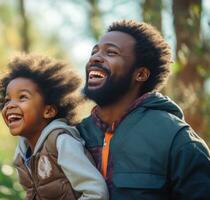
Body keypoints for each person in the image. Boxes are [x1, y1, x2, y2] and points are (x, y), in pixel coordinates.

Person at [77, 19, 210, 199]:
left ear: (140, 74)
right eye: (94, 51)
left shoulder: (176, 139)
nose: (95, 58)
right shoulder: (74, 135)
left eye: (111, 52)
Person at [0, 54, 108, 200]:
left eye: (22, 97)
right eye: (7, 100)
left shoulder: (62, 143)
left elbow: (97, 193)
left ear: (48, 111)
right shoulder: (21, 153)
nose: (10, 105)